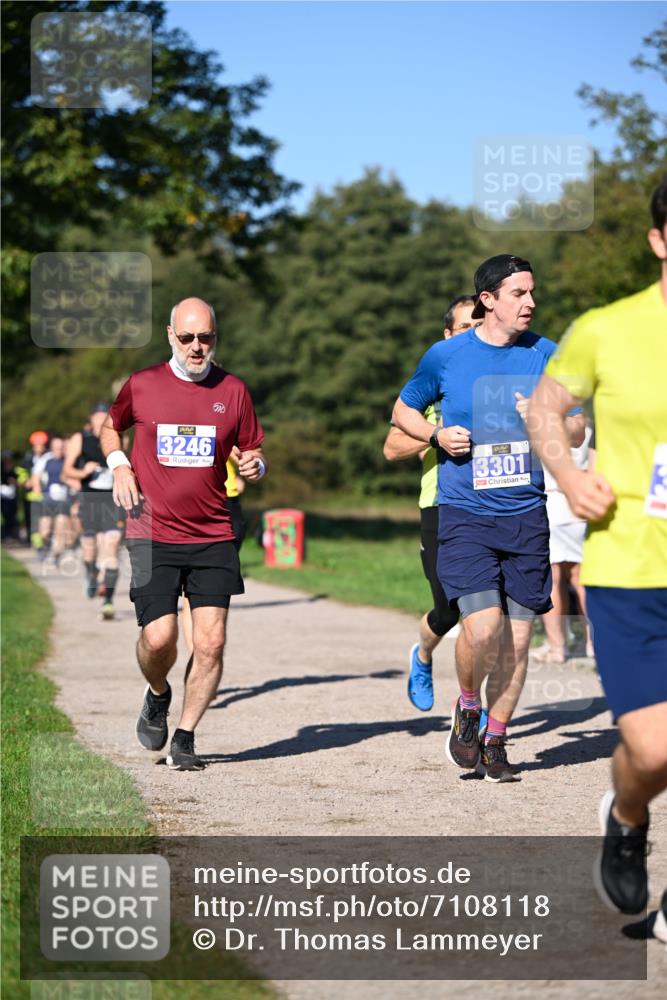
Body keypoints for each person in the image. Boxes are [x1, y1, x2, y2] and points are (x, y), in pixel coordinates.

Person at [527, 179, 667, 938]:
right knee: (652, 746)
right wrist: (571, 475)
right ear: (658, 239)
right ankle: (624, 812)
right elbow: (544, 408)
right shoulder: (606, 329)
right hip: (630, 569)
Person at [392, 255, 585, 782]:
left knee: (520, 642)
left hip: (526, 515)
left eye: (532, 293)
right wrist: (435, 436)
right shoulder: (447, 356)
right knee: (484, 626)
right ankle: (469, 706)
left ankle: (496, 738)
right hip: (466, 514)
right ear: (488, 300)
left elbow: (578, 430)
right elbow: (402, 411)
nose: (530, 303)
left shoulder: (546, 354)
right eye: (519, 294)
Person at [100, 296, 266, 771]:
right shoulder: (143, 384)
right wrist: (119, 466)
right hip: (152, 530)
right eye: (188, 337)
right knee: (159, 638)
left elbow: (251, 447)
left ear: (216, 338)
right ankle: (158, 693)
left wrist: (256, 464)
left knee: (210, 642)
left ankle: (187, 736)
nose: (197, 347)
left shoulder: (232, 389)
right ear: (170, 335)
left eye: (206, 338)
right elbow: (111, 429)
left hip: (214, 531)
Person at [383, 295, 477, 711]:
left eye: (479, 325)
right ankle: (422, 655)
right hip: (439, 504)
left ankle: (473, 705)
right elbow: (391, 447)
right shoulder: (435, 380)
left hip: (491, 505)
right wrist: (435, 433)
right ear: (447, 335)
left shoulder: (497, 381)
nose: (473, 335)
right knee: (447, 611)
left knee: (488, 613)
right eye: (463, 328)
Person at [531, 422, 594, 663]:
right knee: (582, 579)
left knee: (553, 579)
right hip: (581, 505)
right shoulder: (587, 426)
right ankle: (593, 643)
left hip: (552, 504)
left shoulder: (543, 425)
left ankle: (557, 647)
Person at [63, 403, 123, 620]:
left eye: (104, 417)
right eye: (97, 417)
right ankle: (90, 573)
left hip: (111, 501)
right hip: (88, 500)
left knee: (112, 544)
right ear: (91, 420)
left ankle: (108, 600)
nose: (100, 421)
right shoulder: (81, 439)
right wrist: (83, 472)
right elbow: (67, 470)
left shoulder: (119, 438)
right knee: (90, 550)